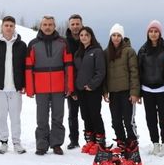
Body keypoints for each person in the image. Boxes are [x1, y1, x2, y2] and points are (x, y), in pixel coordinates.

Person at [25, 16, 74, 155]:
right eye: (45, 24)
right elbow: (28, 67)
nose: (47, 27)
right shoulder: (33, 44)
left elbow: (69, 66)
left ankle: (56, 144)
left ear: (54, 26)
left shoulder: (63, 43)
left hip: (59, 87)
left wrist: (69, 86)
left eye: (50, 24)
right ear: (41, 26)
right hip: (40, 88)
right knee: (41, 118)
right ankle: (41, 145)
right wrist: (30, 88)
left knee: (58, 117)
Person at [0, 16, 27, 154]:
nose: (9, 28)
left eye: (11, 26)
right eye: (6, 25)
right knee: (1, 116)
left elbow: (25, 67)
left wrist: (24, 84)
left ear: (14, 27)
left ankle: (17, 142)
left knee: (15, 117)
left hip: (15, 88)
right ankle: (3, 142)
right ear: (2, 27)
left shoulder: (21, 45)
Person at [103, 23, 140, 157]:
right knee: (115, 120)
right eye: (114, 35)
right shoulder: (106, 52)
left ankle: (132, 142)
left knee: (128, 120)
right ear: (110, 37)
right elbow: (104, 74)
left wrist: (134, 92)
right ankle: (121, 141)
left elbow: (134, 72)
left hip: (127, 92)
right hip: (113, 92)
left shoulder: (129, 51)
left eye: (119, 35)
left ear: (122, 37)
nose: (116, 38)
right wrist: (105, 91)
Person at [138, 20, 164, 156]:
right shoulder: (143, 50)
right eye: (151, 31)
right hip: (147, 90)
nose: (153, 34)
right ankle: (155, 143)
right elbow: (139, 71)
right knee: (150, 118)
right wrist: (140, 91)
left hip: (163, 89)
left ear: (160, 33)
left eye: (156, 31)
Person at [73, 26, 106, 152]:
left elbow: (101, 72)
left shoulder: (97, 51)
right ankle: (90, 141)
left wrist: (92, 85)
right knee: (85, 115)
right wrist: (76, 89)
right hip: (81, 90)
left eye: (86, 35)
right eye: (81, 35)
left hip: (93, 90)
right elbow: (76, 73)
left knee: (95, 115)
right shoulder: (78, 53)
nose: (84, 37)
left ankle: (100, 142)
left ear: (91, 36)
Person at [65, 14, 83, 149]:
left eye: (77, 24)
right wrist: (70, 87)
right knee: (73, 115)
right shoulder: (64, 43)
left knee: (90, 114)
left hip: (88, 86)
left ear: (81, 25)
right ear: (69, 26)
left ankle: (93, 140)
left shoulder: (88, 40)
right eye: (73, 24)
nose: (75, 27)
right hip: (72, 85)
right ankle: (74, 140)